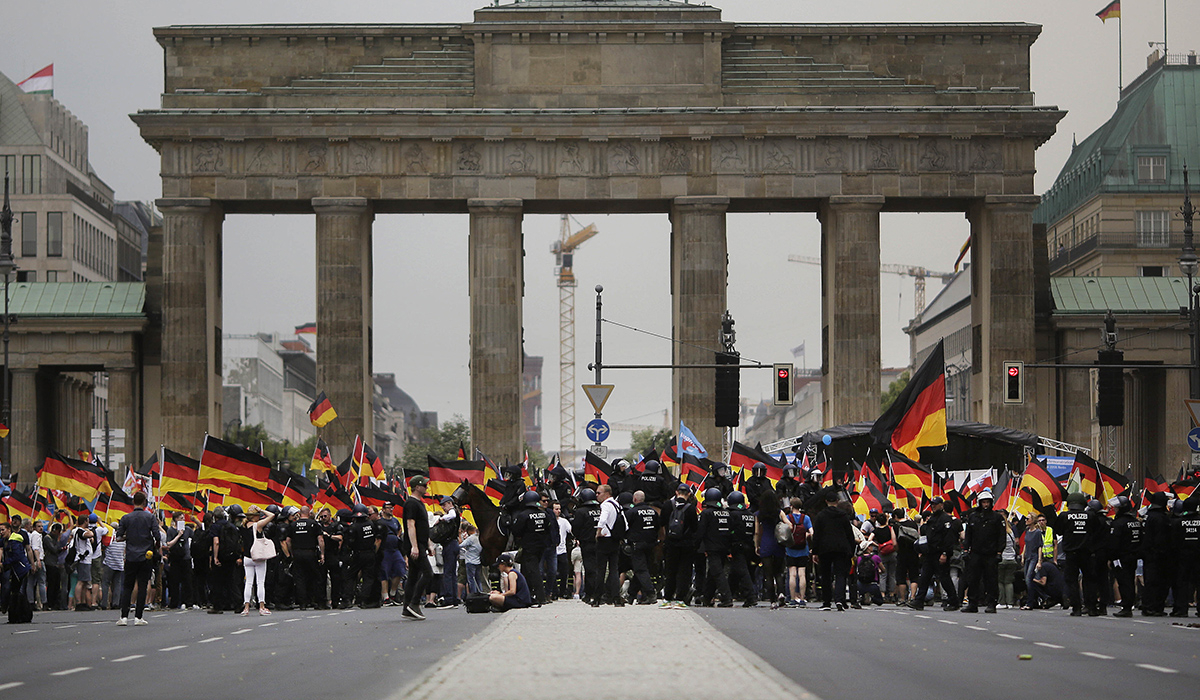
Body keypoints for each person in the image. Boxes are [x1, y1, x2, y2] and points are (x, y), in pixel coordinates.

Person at [115, 491, 163, 626]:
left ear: (133, 502)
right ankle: (138, 617)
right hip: (145, 555)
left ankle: (124, 616)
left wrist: (128, 537)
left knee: (127, 586)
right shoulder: (150, 518)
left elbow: (118, 537)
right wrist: (155, 545)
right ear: (144, 502)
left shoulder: (126, 518)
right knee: (142, 586)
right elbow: (157, 536)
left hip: (130, 556)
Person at [1056, 492, 1105, 616]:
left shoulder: (1064, 516)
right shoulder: (1091, 516)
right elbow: (1096, 531)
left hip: (1071, 554)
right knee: (1089, 580)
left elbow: (1059, 531)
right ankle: (1092, 607)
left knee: (1072, 581)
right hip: (1087, 553)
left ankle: (1076, 608)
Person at [910, 496, 961, 611]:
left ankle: (954, 601)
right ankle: (919, 601)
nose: (933, 506)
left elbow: (949, 539)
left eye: (935, 504)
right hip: (930, 553)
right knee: (924, 577)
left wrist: (945, 553)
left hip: (940, 553)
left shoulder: (945, 520)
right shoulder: (932, 519)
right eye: (932, 504)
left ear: (941, 505)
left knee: (944, 578)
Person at [960, 489, 1005, 614]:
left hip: (991, 554)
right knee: (973, 579)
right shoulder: (973, 517)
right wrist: (965, 550)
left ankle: (991, 603)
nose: (986, 505)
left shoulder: (997, 518)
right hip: (976, 553)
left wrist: (999, 552)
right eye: (983, 502)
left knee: (991, 580)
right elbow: (968, 535)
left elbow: (1001, 536)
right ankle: (972, 603)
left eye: (987, 502)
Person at [812, 488, 854, 611]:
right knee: (840, 574)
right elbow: (849, 534)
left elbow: (817, 535)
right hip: (841, 548)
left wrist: (815, 551)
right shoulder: (843, 516)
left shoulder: (820, 516)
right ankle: (840, 600)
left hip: (825, 548)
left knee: (826, 575)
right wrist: (851, 550)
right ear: (837, 501)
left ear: (826, 501)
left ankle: (826, 601)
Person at [695, 487, 733, 607]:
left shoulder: (706, 513)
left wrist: (695, 546)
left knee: (717, 572)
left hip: (712, 547)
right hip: (724, 547)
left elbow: (700, 532)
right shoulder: (727, 512)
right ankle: (707, 597)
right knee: (712, 572)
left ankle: (727, 598)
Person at [511, 490, 550, 606]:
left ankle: (540, 597)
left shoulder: (523, 515)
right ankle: (526, 595)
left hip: (528, 547)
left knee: (533, 571)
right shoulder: (544, 514)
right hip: (541, 547)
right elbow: (548, 528)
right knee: (527, 571)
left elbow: (516, 531)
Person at [402, 475, 433, 620]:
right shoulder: (411, 503)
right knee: (428, 573)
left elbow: (423, 526)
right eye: (424, 486)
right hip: (415, 545)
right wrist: (414, 546)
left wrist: (428, 544)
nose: (426, 488)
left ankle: (406, 608)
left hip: (420, 543)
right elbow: (410, 525)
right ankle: (414, 603)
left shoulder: (420, 503)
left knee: (413, 576)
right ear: (417, 487)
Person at [661, 484, 698, 607]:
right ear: (688, 494)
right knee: (684, 571)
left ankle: (667, 598)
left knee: (670, 570)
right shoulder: (691, 508)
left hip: (670, 543)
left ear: (676, 492)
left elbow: (661, 522)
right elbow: (695, 528)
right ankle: (680, 599)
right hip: (686, 544)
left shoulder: (667, 505)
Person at [283, 505, 325, 610]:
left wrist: (292, 553)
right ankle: (319, 602)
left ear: (299, 514)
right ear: (309, 513)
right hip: (311, 553)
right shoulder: (314, 524)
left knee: (300, 579)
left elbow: (288, 541)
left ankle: (303, 604)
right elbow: (320, 540)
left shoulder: (293, 525)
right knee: (316, 577)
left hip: (298, 554)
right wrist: (322, 554)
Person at [1108, 495, 1142, 617]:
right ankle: (1129, 604)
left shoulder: (1118, 523)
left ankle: (1126, 607)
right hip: (1133, 556)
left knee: (1124, 581)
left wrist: (1112, 558)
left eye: (1116, 508)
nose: (1115, 510)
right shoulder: (1135, 522)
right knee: (1131, 581)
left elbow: (1114, 543)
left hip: (1121, 557)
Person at [240, 505, 276, 616]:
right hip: (258, 556)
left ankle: (246, 607)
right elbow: (272, 515)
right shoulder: (257, 526)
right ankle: (261, 606)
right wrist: (261, 510)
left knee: (248, 583)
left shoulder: (243, 526)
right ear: (255, 516)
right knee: (260, 582)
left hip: (247, 557)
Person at [594, 484, 626, 607]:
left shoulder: (605, 505)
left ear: (607, 494)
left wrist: (598, 532)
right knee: (614, 570)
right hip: (615, 540)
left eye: (599, 493)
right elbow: (625, 523)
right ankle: (616, 598)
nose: (597, 495)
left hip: (605, 540)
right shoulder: (617, 504)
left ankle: (597, 598)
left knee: (601, 570)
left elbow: (602, 520)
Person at [625, 490, 659, 605]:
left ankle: (651, 593)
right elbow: (657, 527)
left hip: (637, 544)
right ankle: (631, 595)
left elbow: (624, 527)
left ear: (634, 500)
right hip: (651, 544)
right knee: (642, 570)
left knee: (640, 569)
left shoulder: (632, 512)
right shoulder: (653, 512)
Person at [1141, 491, 1172, 617]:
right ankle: (1153, 607)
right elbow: (1160, 539)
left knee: (1151, 581)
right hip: (1158, 555)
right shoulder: (1160, 518)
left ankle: (1150, 606)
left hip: (1149, 554)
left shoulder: (1149, 516)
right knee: (1157, 582)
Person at [1170, 495, 1200, 617]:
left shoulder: (1178, 522)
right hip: (1198, 557)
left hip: (1182, 557)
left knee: (1182, 583)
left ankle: (1182, 609)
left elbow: (1173, 542)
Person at [727, 491, 758, 607]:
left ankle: (751, 597)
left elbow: (730, 531)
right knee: (735, 572)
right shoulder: (750, 514)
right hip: (749, 546)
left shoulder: (733, 514)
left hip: (737, 546)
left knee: (742, 572)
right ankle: (727, 595)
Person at [572, 488, 601, 605]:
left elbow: (575, 528)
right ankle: (599, 592)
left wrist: (580, 537)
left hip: (587, 543)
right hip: (601, 543)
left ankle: (590, 594)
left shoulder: (581, 512)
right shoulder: (600, 509)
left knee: (589, 570)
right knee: (600, 569)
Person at [783, 497, 812, 607]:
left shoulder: (787, 517)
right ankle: (802, 598)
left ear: (791, 506)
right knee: (802, 574)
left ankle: (792, 598)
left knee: (792, 574)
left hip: (790, 548)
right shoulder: (806, 518)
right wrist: (806, 536)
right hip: (803, 549)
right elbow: (812, 532)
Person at [436, 496, 462, 608]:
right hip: (453, 544)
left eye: (444, 505)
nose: (443, 508)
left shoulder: (452, 512)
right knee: (451, 573)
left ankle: (449, 598)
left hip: (450, 544)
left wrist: (441, 519)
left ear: (449, 503)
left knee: (447, 572)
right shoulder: (453, 513)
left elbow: (452, 515)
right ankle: (454, 598)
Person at [892, 508, 920, 606]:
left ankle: (902, 599)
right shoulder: (913, 524)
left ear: (895, 516)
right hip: (913, 553)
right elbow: (918, 537)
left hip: (902, 554)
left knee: (901, 576)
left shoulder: (895, 526)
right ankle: (912, 597)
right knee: (914, 576)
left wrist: (898, 550)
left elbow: (894, 543)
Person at [996, 511, 1022, 610]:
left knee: (1000, 581)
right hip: (1011, 558)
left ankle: (1002, 601)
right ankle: (1010, 602)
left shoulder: (999, 533)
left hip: (1002, 558)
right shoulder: (1011, 532)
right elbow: (1015, 544)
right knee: (1009, 581)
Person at [101, 531, 127, 610]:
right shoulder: (123, 542)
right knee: (117, 585)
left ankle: (104, 603)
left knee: (105, 583)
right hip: (119, 564)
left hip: (109, 564)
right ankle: (116, 603)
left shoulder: (109, 540)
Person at [553, 502, 573, 599]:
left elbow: (571, 530)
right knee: (552, 572)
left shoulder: (564, 521)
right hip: (552, 551)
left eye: (559, 509)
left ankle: (562, 591)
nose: (559, 511)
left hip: (562, 550)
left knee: (564, 572)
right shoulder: (550, 520)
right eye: (556, 509)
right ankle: (554, 591)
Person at [460, 523, 487, 595]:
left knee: (471, 579)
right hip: (478, 561)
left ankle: (474, 594)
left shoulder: (471, 538)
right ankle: (480, 592)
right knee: (478, 579)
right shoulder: (481, 538)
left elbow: (461, 545)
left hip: (470, 561)